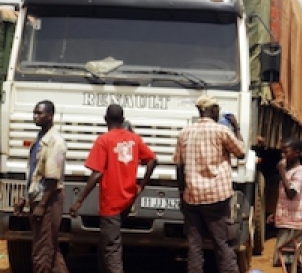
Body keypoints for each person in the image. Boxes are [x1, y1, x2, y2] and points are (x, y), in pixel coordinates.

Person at [69, 104, 157, 273]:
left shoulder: (104, 140)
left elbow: (96, 174)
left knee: (111, 247)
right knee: (105, 243)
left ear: (105, 120)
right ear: (123, 120)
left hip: (111, 202)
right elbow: (153, 160)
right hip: (128, 198)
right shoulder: (134, 139)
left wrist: (79, 201)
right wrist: (141, 187)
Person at [173, 94, 245, 273]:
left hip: (192, 197)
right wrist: (236, 127)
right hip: (217, 197)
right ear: (211, 110)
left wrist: (182, 194)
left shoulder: (184, 133)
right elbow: (241, 152)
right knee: (222, 242)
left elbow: (179, 167)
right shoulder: (221, 131)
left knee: (194, 246)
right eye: (217, 109)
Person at [14, 100, 69, 273]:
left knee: (42, 252)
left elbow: (52, 178)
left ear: (51, 116)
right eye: (34, 113)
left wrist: (42, 206)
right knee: (50, 250)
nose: (35, 116)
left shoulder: (55, 142)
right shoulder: (39, 140)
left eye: (40, 113)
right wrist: (25, 198)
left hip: (49, 200)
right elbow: (34, 174)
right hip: (38, 198)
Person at [269, 137, 302, 267]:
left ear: (297, 152)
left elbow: (291, 194)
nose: (283, 155)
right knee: (282, 260)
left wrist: (281, 171)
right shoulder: (288, 172)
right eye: (282, 152)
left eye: (286, 152)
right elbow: (284, 198)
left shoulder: (301, 171)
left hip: (294, 224)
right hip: (285, 221)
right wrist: (276, 214)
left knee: (291, 260)